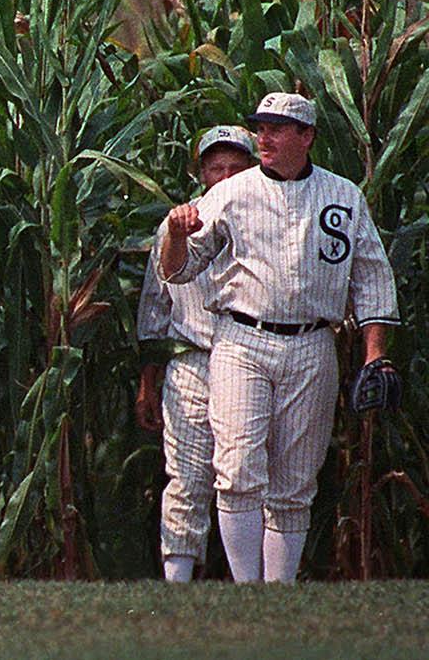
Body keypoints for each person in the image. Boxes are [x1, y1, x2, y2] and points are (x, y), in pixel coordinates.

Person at [161, 93, 398, 582]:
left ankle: (279, 594)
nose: (263, 138)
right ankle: (249, 594)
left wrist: (375, 355)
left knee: (294, 482)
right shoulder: (231, 192)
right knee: (238, 469)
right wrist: (177, 235)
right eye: (260, 128)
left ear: (306, 136)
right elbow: (179, 271)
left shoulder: (343, 195)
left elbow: (372, 277)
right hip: (242, 339)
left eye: (276, 128)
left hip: (314, 343)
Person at [135, 125, 257, 583]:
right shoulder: (175, 225)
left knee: (244, 475)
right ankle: (178, 581)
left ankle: (252, 581)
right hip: (191, 359)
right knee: (185, 475)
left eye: (235, 167)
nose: (224, 175)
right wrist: (148, 381)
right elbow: (154, 308)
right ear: (201, 171)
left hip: (249, 356)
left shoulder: (265, 219)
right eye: (215, 166)